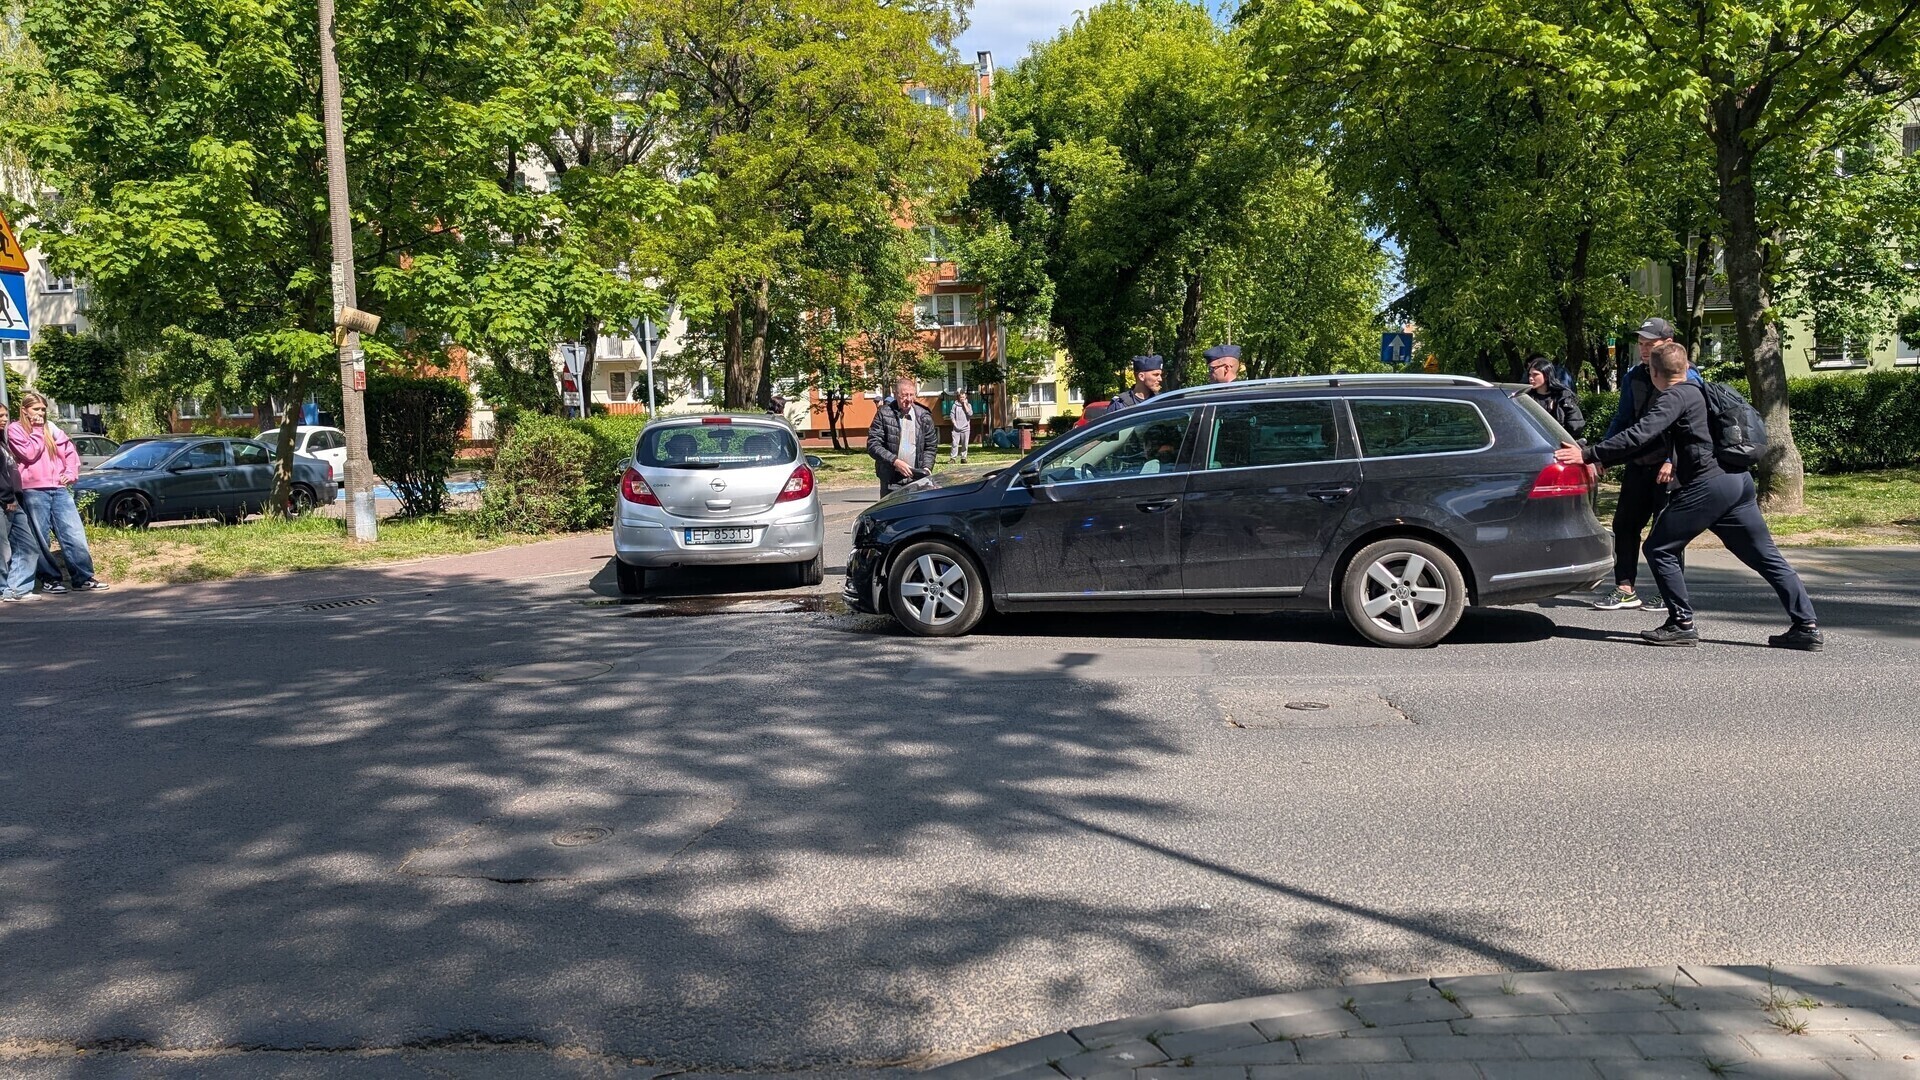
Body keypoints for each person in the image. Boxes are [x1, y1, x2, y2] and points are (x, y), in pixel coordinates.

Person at [1555, 341, 1819, 650]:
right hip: (1737, 481)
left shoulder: (1674, 397)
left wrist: (1588, 454)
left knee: (1659, 548)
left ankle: (1681, 623)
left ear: (1654, 372)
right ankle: (1806, 625)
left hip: (1708, 486)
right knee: (1764, 556)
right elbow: (1652, 445)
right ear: (1685, 367)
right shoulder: (1701, 390)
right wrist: (1602, 458)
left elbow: (1640, 434)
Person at [1592, 317, 1702, 612]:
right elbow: (1623, 420)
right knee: (1624, 525)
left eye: (1649, 344)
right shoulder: (1634, 377)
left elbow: (1691, 425)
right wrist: (1603, 453)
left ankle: (1668, 593)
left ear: (1668, 343)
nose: (1643, 349)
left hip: (1670, 468)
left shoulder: (1689, 377)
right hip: (1638, 463)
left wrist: (1672, 460)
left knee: (1665, 531)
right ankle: (1625, 588)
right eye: (1640, 344)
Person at [7, 392, 109, 594]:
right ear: (24, 410)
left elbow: (69, 452)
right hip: (33, 489)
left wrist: (70, 472)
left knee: (74, 533)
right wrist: (36, 430)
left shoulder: (51, 428)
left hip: (59, 488)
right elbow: (29, 454)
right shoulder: (15, 429)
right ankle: (50, 579)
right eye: (36, 409)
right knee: (41, 537)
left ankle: (82, 578)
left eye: (43, 409)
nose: (41, 413)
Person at [867, 376, 935, 496]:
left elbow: (930, 447)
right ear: (896, 394)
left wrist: (927, 468)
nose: (909, 399)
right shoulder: (884, 414)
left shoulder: (924, 416)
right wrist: (895, 461)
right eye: (904, 395)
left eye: (912, 395)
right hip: (891, 480)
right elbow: (873, 445)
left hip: (917, 480)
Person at [0, 402, 40, 603]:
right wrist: (7, 498)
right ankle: (4, 589)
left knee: (28, 545)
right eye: (0, 416)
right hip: (4, 501)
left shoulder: (2, 441)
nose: (4, 419)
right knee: (3, 548)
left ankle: (16, 588)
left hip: (13, 499)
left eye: (6, 415)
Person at [1524, 356, 1585, 437]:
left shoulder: (1562, 396)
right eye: (1530, 375)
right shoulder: (1525, 397)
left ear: (1546, 375)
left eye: (1535, 374)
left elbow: (1576, 424)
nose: (1531, 378)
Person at [948, 390, 972, 464]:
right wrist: (955, 424)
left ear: (965, 397)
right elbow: (952, 415)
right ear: (958, 397)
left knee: (965, 444)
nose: (962, 398)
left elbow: (970, 414)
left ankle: (963, 458)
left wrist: (964, 404)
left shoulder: (969, 405)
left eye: (963, 397)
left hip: (965, 428)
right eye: (961, 397)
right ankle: (953, 458)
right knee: (954, 444)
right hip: (956, 429)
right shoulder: (954, 405)